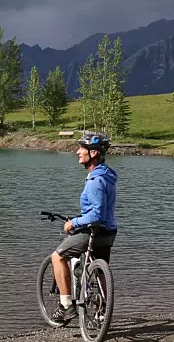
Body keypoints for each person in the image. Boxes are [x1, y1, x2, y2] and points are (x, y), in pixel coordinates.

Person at [51, 131, 118, 322]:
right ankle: (103, 311)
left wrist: (74, 222)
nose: (78, 152)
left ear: (94, 153)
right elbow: (100, 210)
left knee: (58, 257)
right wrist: (81, 218)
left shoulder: (95, 181)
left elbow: (97, 215)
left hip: (94, 231)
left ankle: (66, 306)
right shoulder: (106, 176)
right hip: (109, 232)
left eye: (82, 149)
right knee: (99, 270)